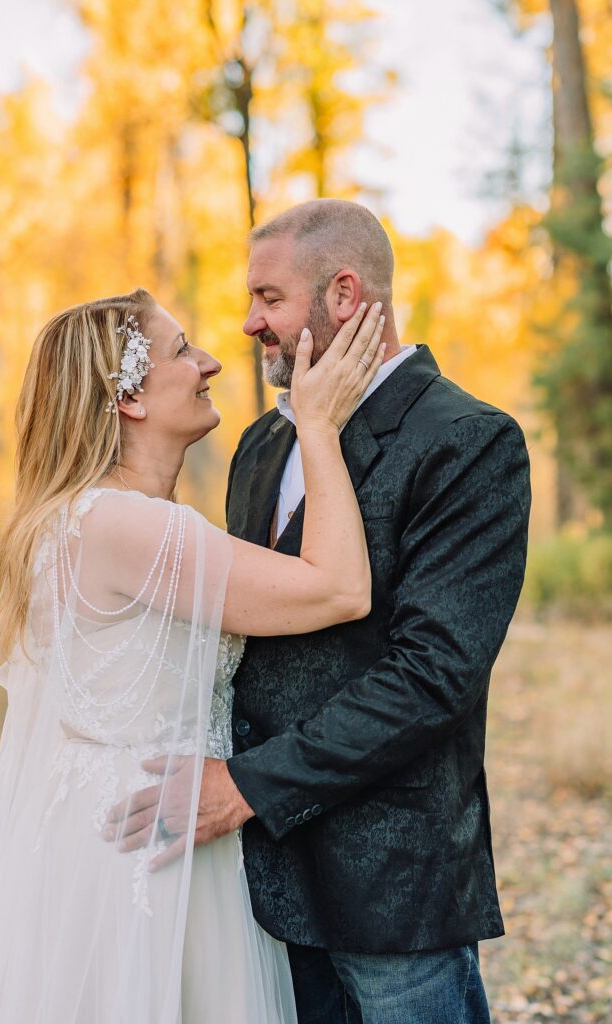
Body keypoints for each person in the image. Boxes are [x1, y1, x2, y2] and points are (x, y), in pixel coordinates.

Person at [113, 199, 532, 1024]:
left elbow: (432, 676)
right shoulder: (262, 442)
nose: (246, 325)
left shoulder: (468, 440)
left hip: (388, 880)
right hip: (254, 878)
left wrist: (247, 785)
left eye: (268, 299)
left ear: (343, 294)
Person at [0, 286, 387, 1023]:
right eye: (182, 351)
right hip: (147, 847)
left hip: (119, 826)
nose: (208, 361)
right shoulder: (127, 526)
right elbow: (336, 591)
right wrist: (320, 425)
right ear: (130, 400)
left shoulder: (84, 517)